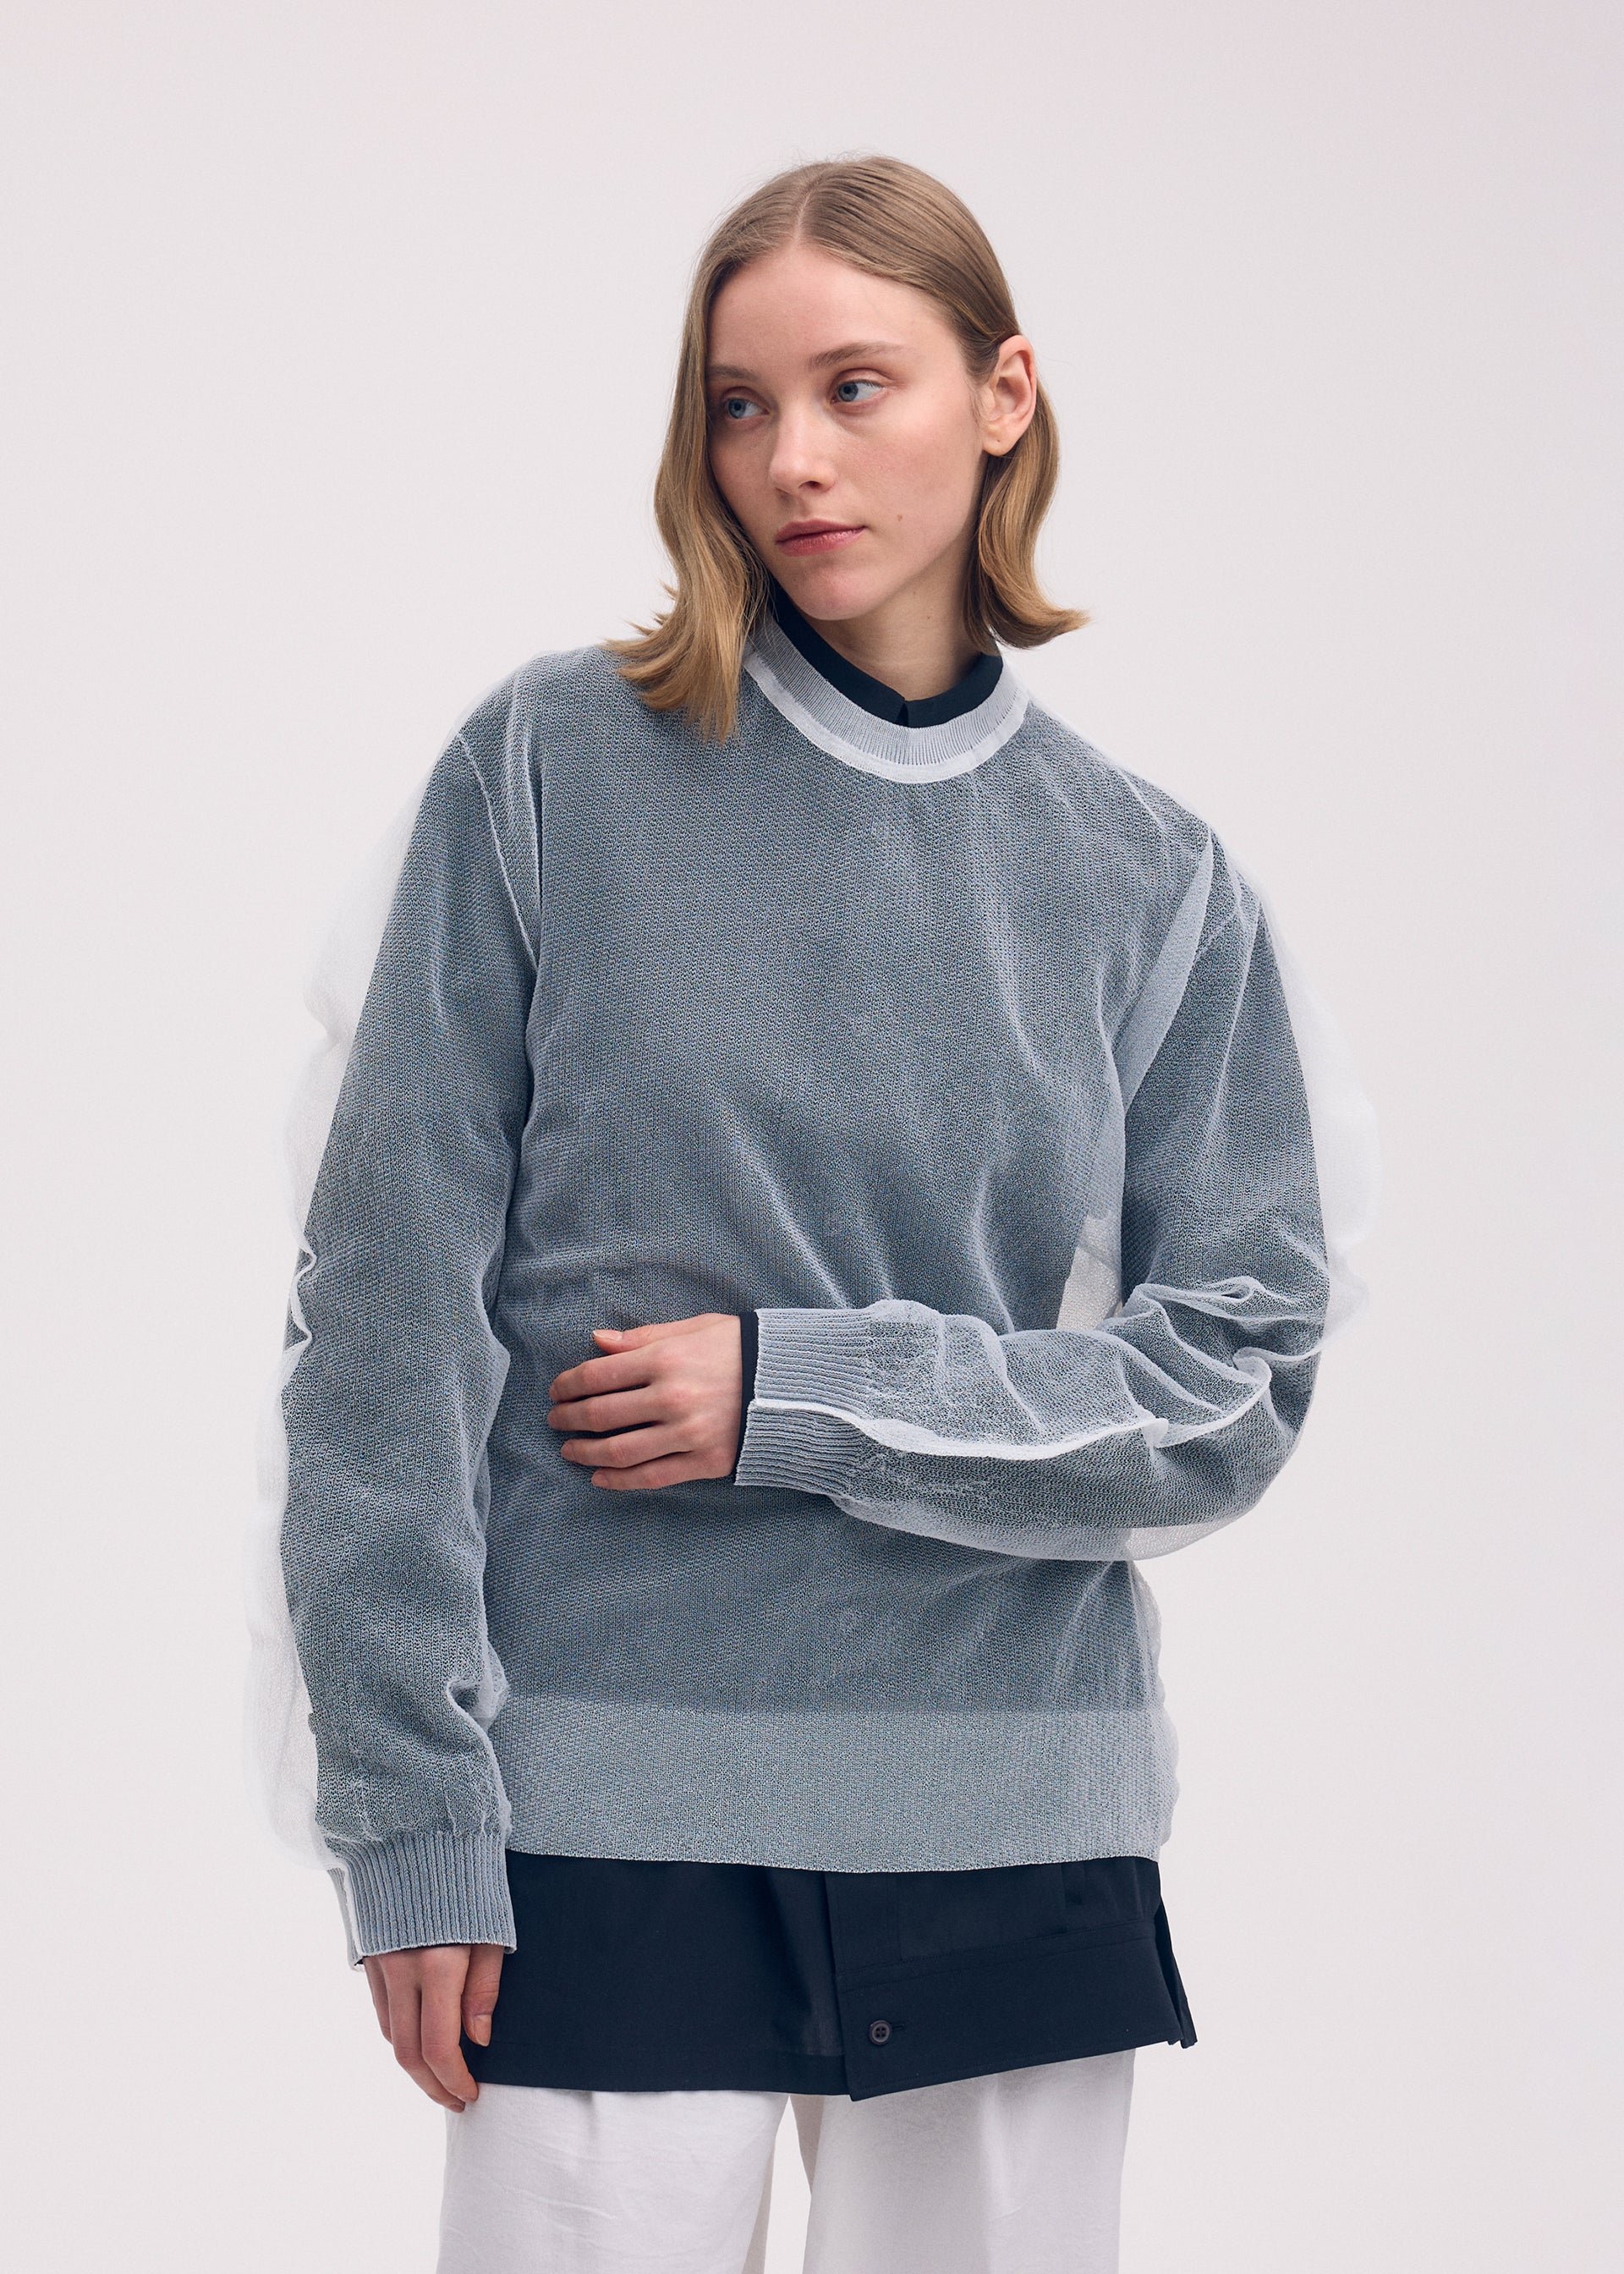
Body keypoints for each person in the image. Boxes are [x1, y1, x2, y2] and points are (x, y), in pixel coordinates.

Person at [244, 153, 1376, 2274]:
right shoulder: (550, 767)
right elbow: (385, 1314)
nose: (793, 460)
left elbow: (1236, 1379)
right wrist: (408, 1813)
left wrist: (807, 1391)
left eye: (857, 387)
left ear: (1004, 394)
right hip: (600, 1811)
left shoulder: (1146, 875)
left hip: (1012, 1810)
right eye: (740, 405)